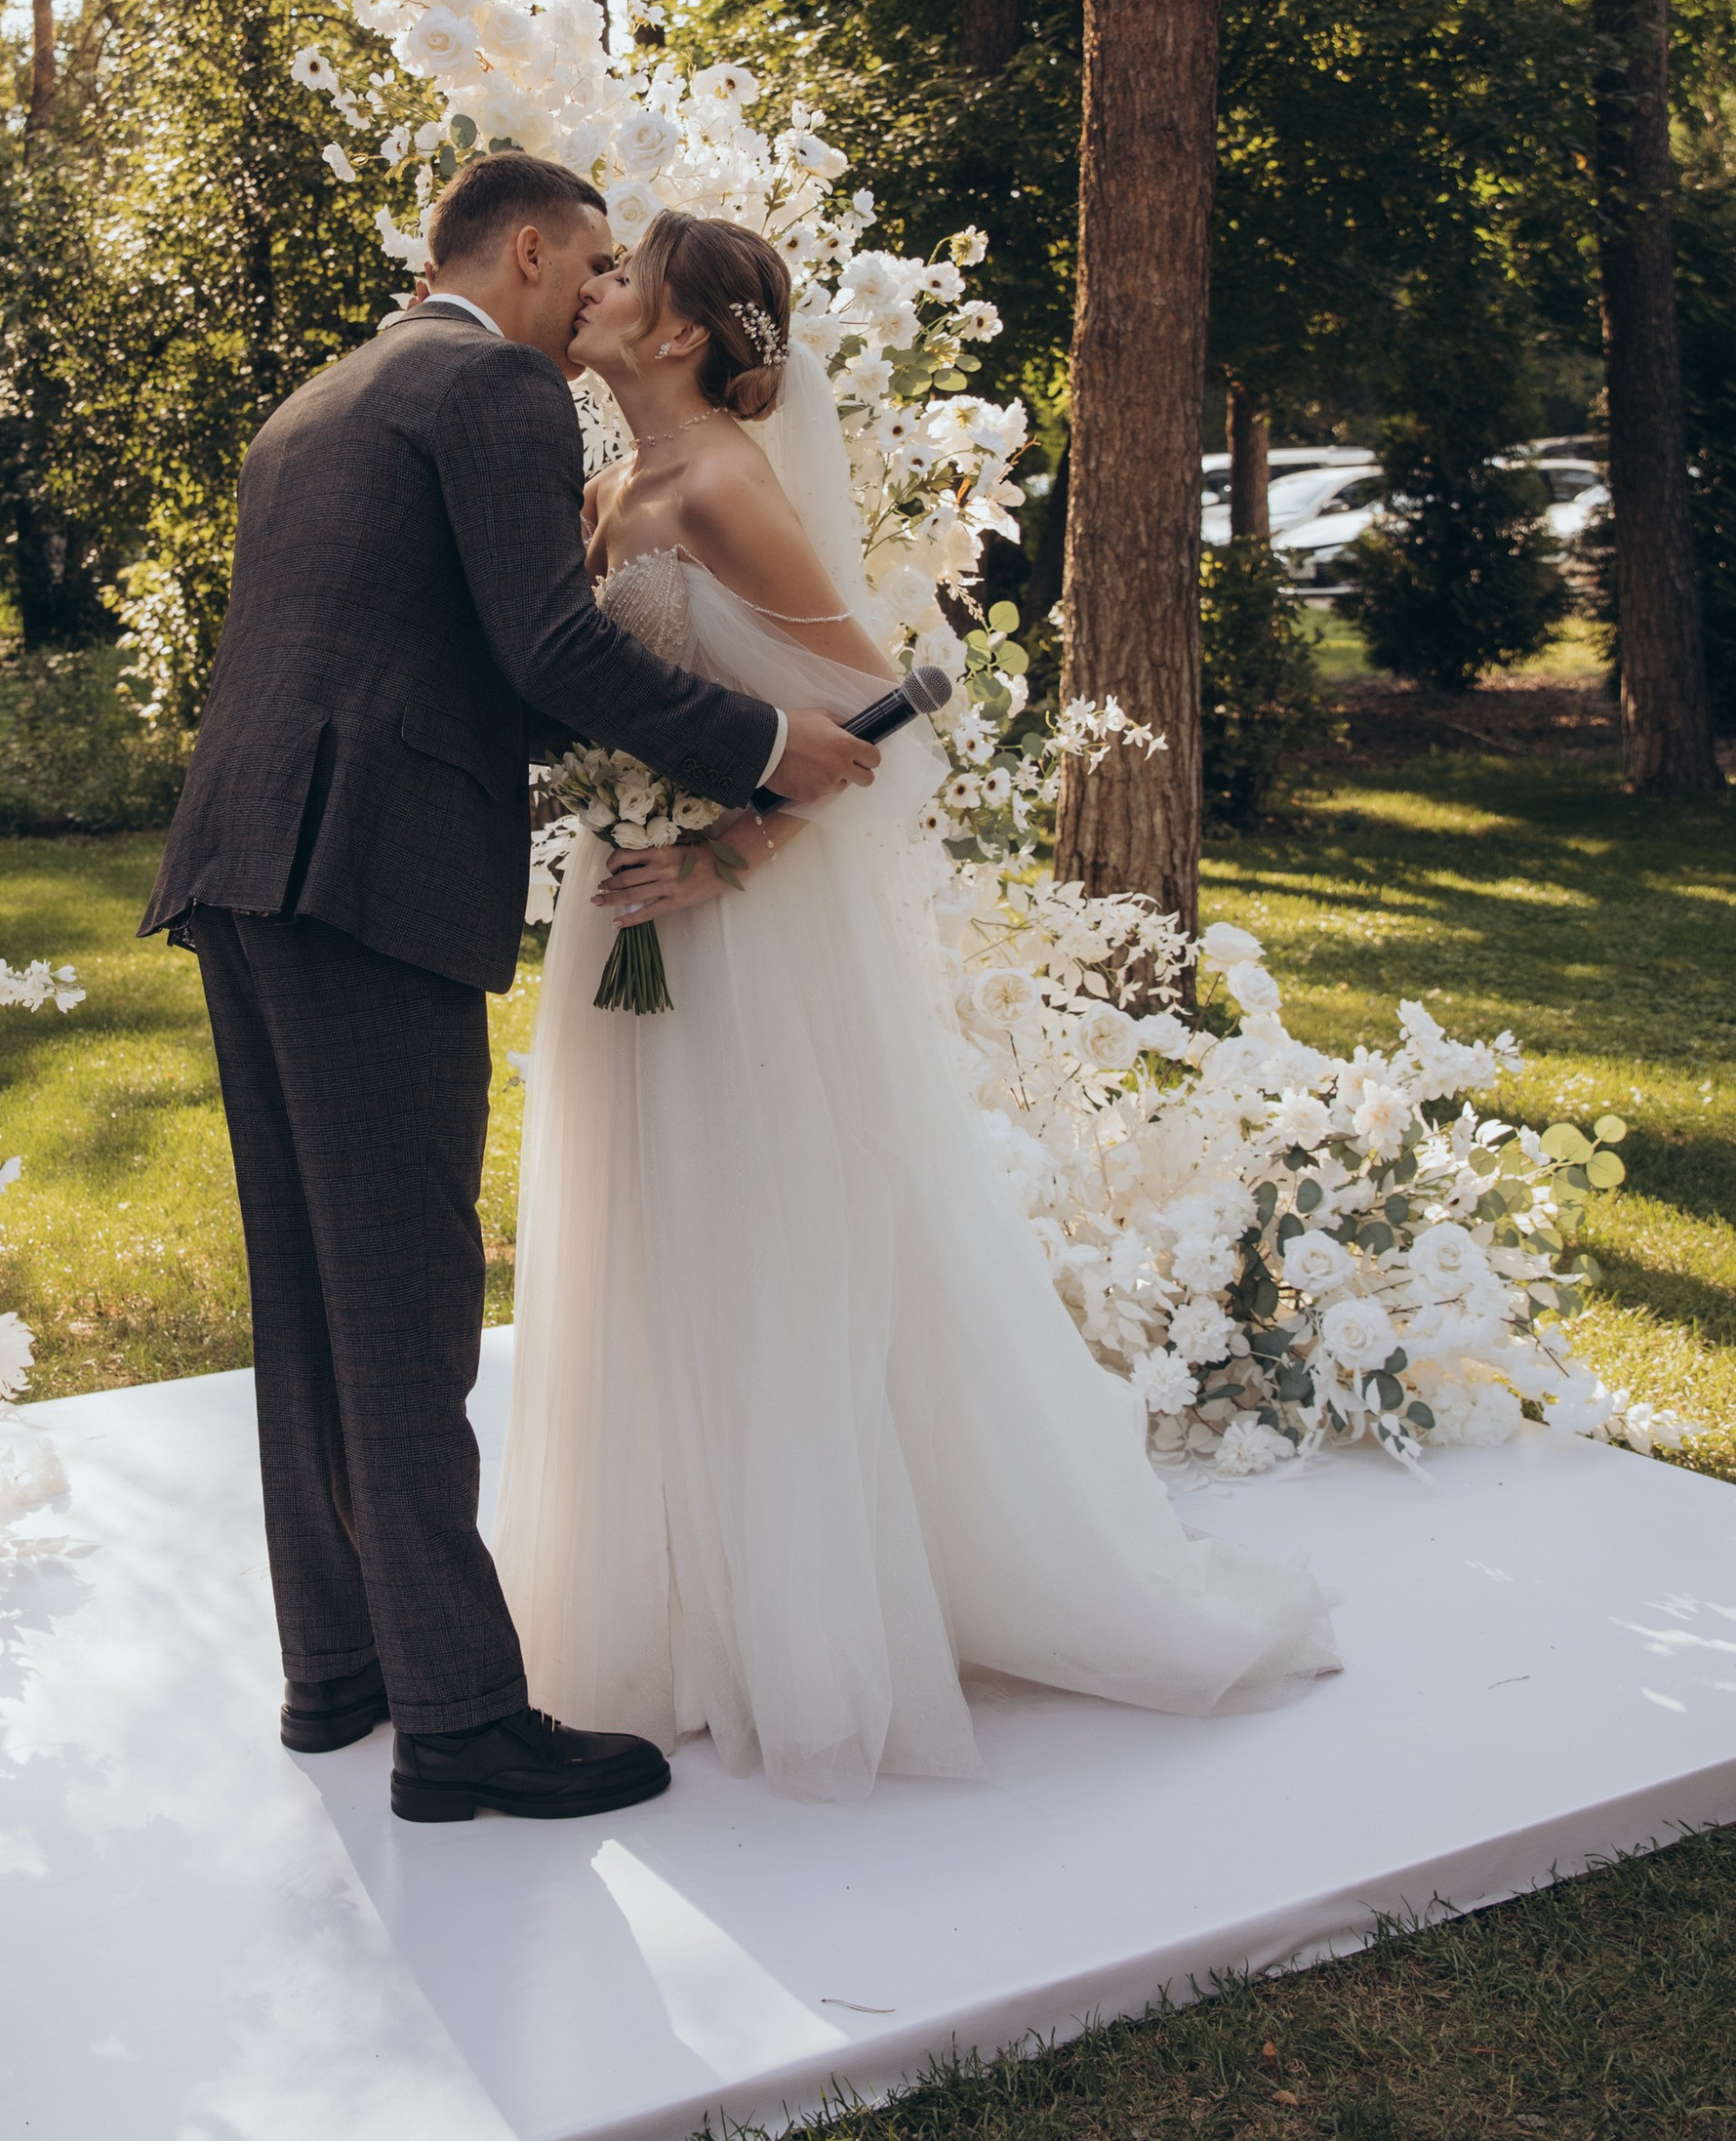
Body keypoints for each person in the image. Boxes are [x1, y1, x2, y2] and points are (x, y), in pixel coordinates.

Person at [492, 209, 1338, 1802]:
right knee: (635, 1234)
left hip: (734, 928)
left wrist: (728, 853)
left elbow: (879, 710)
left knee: (760, 1237)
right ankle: (655, 1610)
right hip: (616, 921)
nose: (591, 293)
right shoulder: (602, 493)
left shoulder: (729, 490)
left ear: (678, 335)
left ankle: (810, 1618)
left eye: (622, 279)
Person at [142, 152, 882, 1824]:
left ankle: (341, 1674)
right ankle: (464, 1725)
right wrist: (770, 747)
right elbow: (548, 654)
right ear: (535, 252)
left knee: (313, 1298)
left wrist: (703, 789)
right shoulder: (490, 388)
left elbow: (455, 656)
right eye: (595, 261)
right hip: (366, 879)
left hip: (247, 864)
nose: (599, 295)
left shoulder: (324, 398)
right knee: (404, 1303)